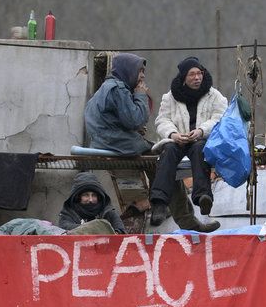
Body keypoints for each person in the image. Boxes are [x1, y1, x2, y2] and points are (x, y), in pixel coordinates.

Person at [83, 54, 218, 232]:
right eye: (140, 71)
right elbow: (137, 120)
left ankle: (163, 207)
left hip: (108, 140)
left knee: (165, 161)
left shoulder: (108, 88)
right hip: (115, 143)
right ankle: (174, 213)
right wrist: (140, 95)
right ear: (127, 70)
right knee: (164, 163)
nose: (142, 76)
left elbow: (119, 120)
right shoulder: (118, 89)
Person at [150, 56, 228, 226]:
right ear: (184, 77)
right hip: (177, 139)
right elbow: (162, 120)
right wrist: (172, 134)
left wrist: (201, 131)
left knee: (200, 150)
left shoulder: (214, 96)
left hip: (200, 139)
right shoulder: (170, 97)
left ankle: (203, 197)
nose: (197, 77)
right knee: (168, 152)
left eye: (199, 73)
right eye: (192, 74)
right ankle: (159, 203)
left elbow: (220, 118)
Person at [59, 172, 125, 233]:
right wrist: (98, 228)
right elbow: (64, 230)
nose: (90, 199)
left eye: (94, 195)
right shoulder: (68, 213)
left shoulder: (108, 212)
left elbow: (121, 232)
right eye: (86, 195)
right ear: (78, 197)